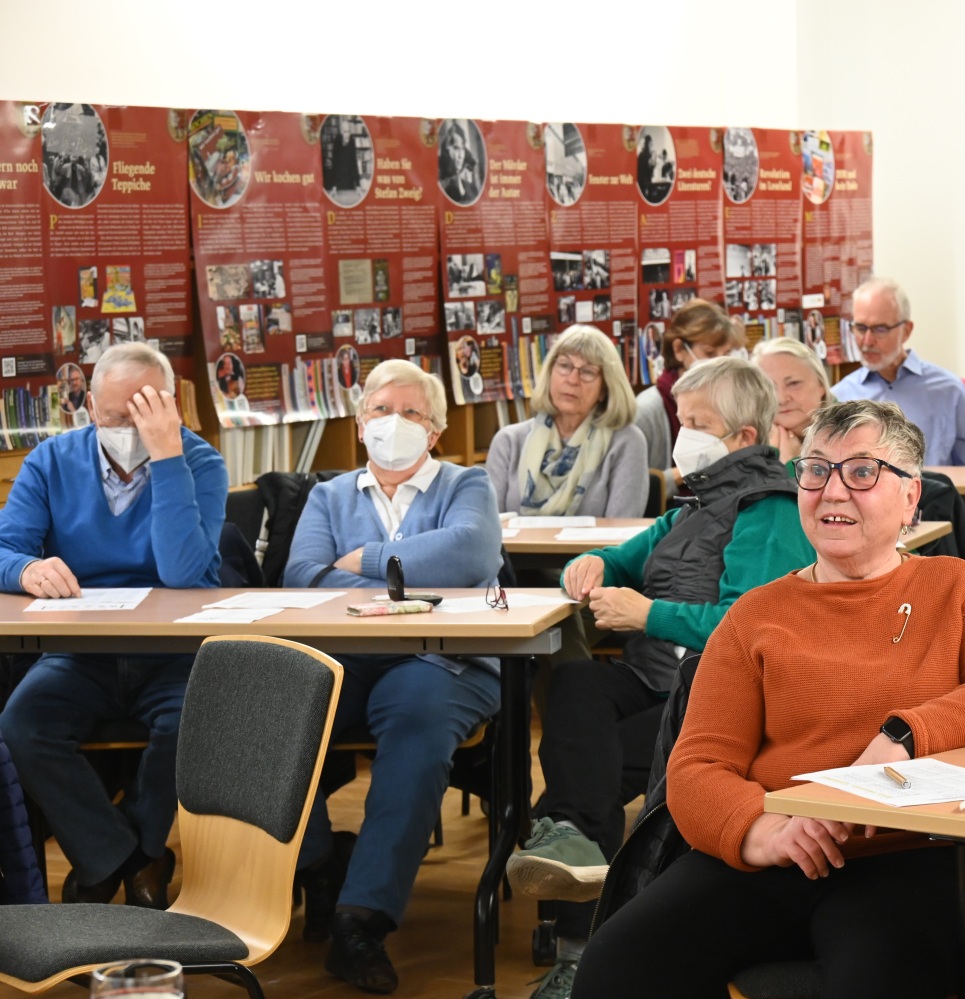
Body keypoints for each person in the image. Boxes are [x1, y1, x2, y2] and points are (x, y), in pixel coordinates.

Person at [571, 399, 965, 999]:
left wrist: (906, 734)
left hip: (903, 857)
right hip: (775, 850)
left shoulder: (953, 587)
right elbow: (698, 768)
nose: (834, 492)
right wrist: (760, 829)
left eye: (862, 472)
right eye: (816, 470)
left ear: (910, 498)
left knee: (882, 979)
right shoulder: (755, 614)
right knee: (614, 965)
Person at [507, 357, 815, 999]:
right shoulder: (691, 512)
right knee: (574, 687)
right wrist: (590, 564)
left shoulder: (770, 511)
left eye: (699, 423)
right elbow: (621, 558)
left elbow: (752, 626)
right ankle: (578, 854)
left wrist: (650, 613)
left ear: (743, 436)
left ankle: (576, 932)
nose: (683, 436)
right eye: (682, 420)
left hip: (715, 703)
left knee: (584, 773)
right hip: (658, 686)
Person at [284, 359, 503, 994]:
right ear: (359, 426)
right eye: (381, 411)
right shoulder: (328, 495)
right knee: (278, 713)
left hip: (442, 659)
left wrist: (365, 561)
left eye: (411, 413)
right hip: (344, 655)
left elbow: (470, 554)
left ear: (434, 432)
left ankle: (362, 922)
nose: (394, 423)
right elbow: (302, 575)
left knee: (417, 724)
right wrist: (410, 581)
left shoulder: (466, 484)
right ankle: (319, 862)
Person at [0, 342, 227, 910]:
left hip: (173, 653)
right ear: (89, 409)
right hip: (83, 649)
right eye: (113, 416)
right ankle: (119, 857)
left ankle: (142, 844)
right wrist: (27, 568)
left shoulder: (200, 462)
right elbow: (4, 548)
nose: (127, 427)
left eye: (142, 411)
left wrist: (167, 456)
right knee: (22, 723)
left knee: (190, 726)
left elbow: (181, 572)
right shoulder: (51, 461)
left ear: (169, 407)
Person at [485, 325, 648, 518]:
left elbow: (623, 533)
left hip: (596, 549)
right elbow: (489, 528)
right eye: (564, 365)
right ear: (549, 373)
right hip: (512, 549)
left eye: (587, 371)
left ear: (605, 389)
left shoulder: (626, 442)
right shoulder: (509, 442)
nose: (572, 379)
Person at [831, 276, 965, 467]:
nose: (867, 341)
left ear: (906, 331)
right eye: (860, 328)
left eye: (879, 329)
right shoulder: (841, 396)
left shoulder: (948, 390)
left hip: (931, 495)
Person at [634, 298, 744, 481]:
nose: (718, 362)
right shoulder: (647, 410)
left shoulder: (727, 402)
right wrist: (692, 470)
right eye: (709, 353)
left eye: (725, 354)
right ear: (679, 349)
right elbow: (633, 485)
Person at [751, 337, 831, 466]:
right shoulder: (742, 445)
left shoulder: (852, 434)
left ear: (821, 384)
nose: (781, 399)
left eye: (793, 383)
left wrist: (789, 464)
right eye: (769, 387)